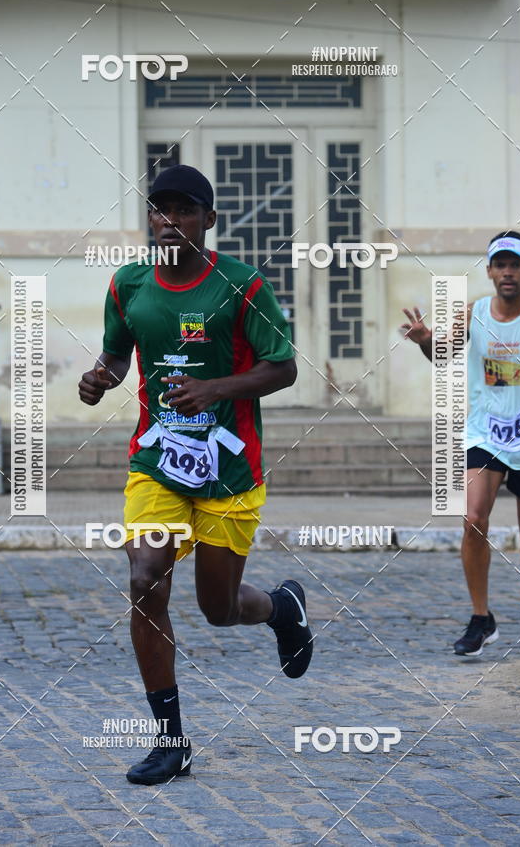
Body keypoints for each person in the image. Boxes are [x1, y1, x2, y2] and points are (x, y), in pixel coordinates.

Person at [78, 164, 313, 785]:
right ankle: (170, 741)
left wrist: (215, 388)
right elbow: (117, 351)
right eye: (159, 209)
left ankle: (282, 609)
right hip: (156, 461)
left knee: (218, 606)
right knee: (145, 578)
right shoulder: (128, 283)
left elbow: (283, 369)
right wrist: (100, 377)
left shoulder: (242, 286)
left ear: (208, 221)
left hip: (231, 468)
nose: (168, 220)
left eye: (184, 210)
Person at [401, 231, 520, 657]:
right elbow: (442, 355)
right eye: (500, 265)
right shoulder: (473, 313)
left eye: (515, 265)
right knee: (473, 520)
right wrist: (426, 340)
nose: (508, 273)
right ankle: (482, 619)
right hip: (485, 435)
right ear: (490, 271)